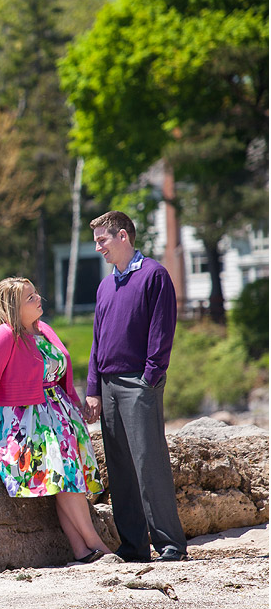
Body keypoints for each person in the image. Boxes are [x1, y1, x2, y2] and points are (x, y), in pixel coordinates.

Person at [0, 277, 111, 563]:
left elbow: (61, 374)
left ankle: (81, 551)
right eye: (30, 298)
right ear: (13, 307)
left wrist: (76, 407)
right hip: (26, 422)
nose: (38, 298)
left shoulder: (45, 331)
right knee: (66, 477)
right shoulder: (3, 336)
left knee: (67, 479)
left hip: (58, 415)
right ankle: (98, 546)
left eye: (35, 294)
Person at [82, 211, 187, 562]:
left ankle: (170, 545)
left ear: (123, 235)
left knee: (149, 463)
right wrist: (93, 387)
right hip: (108, 385)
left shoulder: (154, 275)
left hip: (139, 383)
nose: (98, 248)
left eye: (103, 240)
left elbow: (162, 331)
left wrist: (150, 377)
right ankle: (134, 547)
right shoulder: (105, 285)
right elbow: (98, 340)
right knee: (121, 467)